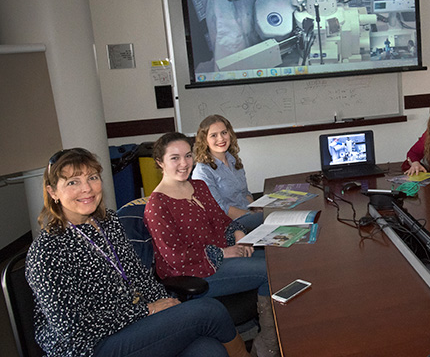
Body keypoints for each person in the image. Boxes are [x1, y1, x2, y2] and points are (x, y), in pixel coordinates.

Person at [25, 148, 249, 357]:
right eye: (73, 182)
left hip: (131, 322)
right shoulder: (46, 251)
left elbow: (138, 275)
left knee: (207, 349)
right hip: (92, 345)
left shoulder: (108, 222)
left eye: (92, 178)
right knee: (208, 311)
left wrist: (166, 304)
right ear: (52, 191)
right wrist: (147, 311)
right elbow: (73, 330)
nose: (87, 189)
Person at [144, 133, 279, 356]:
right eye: (174, 158)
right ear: (160, 162)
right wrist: (224, 252)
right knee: (270, 271)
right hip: (196, 271)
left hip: (221, 256)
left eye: (188, 156)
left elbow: (220, 219)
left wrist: (237, 234)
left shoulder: (198, 186)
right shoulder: (157, 205)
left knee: (275, 260)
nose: (184, 163)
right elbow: (175, 257)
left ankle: (266, 338)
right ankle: (268, 345)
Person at [192, 114, 263, 230]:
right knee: (272, 219)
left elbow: (245, 193)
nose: (221, 139)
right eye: (214, 135)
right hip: (229, 225)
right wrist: (252, 216)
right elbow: (220, 209)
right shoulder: (203, 171)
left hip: (247, 215)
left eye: (224, 133)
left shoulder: (233, 160)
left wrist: (255, 208)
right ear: (205, 140)